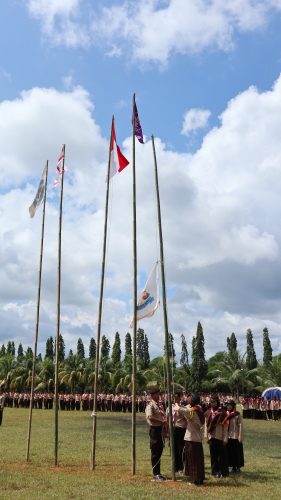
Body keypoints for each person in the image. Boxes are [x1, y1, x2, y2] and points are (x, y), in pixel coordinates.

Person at [179, 393, 205, 486]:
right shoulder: (198, 409)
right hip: (195, 438)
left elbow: (185, 411)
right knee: (196, 460)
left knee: (194, 460)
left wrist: (177, 407)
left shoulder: (194, 411)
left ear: (193, 400)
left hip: (192, 438)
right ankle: (198, 480)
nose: (187, 399)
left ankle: (197, 481)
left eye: (189, 398)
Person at [145, 385, 167, 481]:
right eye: (157, 394)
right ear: (152, 395)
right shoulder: (150, 405)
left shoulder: (160, 405)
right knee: (155, 451)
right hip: (154, 430)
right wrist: (161, 421)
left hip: (160, 430)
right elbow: (150, 417)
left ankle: (158, 472)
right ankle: (155, 473)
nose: (159, 395)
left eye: (159, 393)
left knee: (160, 450)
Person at [204, 394, 228, 478]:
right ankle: (214, 471)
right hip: (211, 436)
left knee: (221, 456)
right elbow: (206, 425)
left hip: (220, 436)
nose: (212, 403)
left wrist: (225, 437)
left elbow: (225, 426)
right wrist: (206, 436)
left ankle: (222, 471)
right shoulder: (208, 412)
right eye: (211, 402)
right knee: (213, 455)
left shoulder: (222, 413)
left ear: (217, 402)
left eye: (214, 402)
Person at [225, 399, 244, 474]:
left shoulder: (237, 414)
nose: (228, 406)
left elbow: (240, 426)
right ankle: (233, 467)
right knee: (230, 452)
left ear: (233, 406)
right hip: (228, 436)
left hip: (235, 436)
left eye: (230, 405)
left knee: (237, 453)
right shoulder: (226, 414)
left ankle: (238, 467)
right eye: (228, 405)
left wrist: (240, 436)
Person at [171, 392, 187, 473]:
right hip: (173, 430)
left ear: (180, 399)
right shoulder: (170, 408)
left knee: (180, 449)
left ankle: (181, 467)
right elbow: (168, 419)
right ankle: (175, 466)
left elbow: (187, 419)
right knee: (174, 448)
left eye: (177, 398)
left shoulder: (183, 408)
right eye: (174, 398)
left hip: (181, 429)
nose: (175, 400)